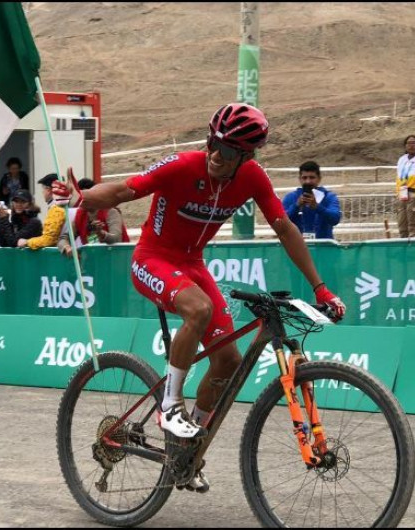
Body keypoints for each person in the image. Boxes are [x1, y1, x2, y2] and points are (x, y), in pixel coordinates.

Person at [52, 102, 346, 493]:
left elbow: (285, 228)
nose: (214, 156)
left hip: (191, 264)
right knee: (200, 309)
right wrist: (83, 198)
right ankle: (169, 407)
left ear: (246, 156)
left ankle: (186, 451)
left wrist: (320, 288)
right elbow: (126, 189)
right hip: (151, 259)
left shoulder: (252, 177)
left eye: (225, 152)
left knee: (229, 360)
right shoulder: (183, 165)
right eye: (212, 144)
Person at [57, 178, 129, 256]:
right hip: (94, 262)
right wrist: (67, 248)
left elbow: (116, 238)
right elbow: (63, 238)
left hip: (116, 260)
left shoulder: (111, 212)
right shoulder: (80, 215)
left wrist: (101, 234)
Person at [282, 161, 342, 239]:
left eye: (312, 177)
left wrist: (318, 207)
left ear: (319, 179)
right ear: (300, 179)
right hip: (296, 247)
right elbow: (281, 222)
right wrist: (296, 206)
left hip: (323, 247)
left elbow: (335, 219)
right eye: (304, 178)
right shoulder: (291, 197)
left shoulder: (329, 197)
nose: (308, 181)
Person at [24, 173, 66, 250]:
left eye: (43, 188)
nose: (42, 192)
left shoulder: (57, 209)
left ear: (49, 190)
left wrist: (27, 242)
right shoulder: (63, 206)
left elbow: (49, 240)